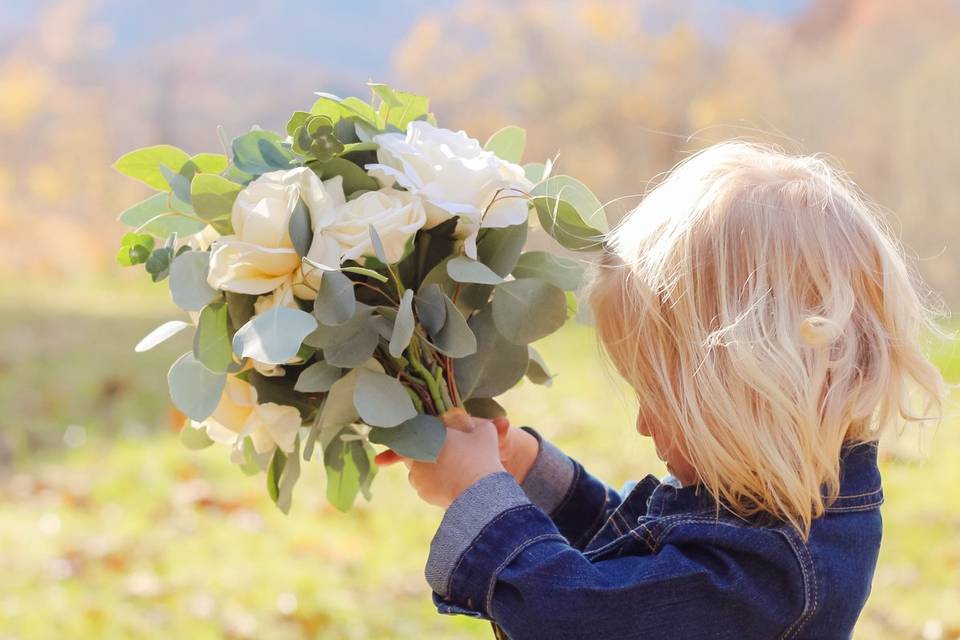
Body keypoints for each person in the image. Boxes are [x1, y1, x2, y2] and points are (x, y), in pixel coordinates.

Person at [375, 142, 947, 639]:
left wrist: (477, 492)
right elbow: (637, 566)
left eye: (658, 396)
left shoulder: (772, 574)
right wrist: (526, 471)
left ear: (749, 383)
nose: (644, 423)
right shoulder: (776, 506)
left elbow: (580, 620)